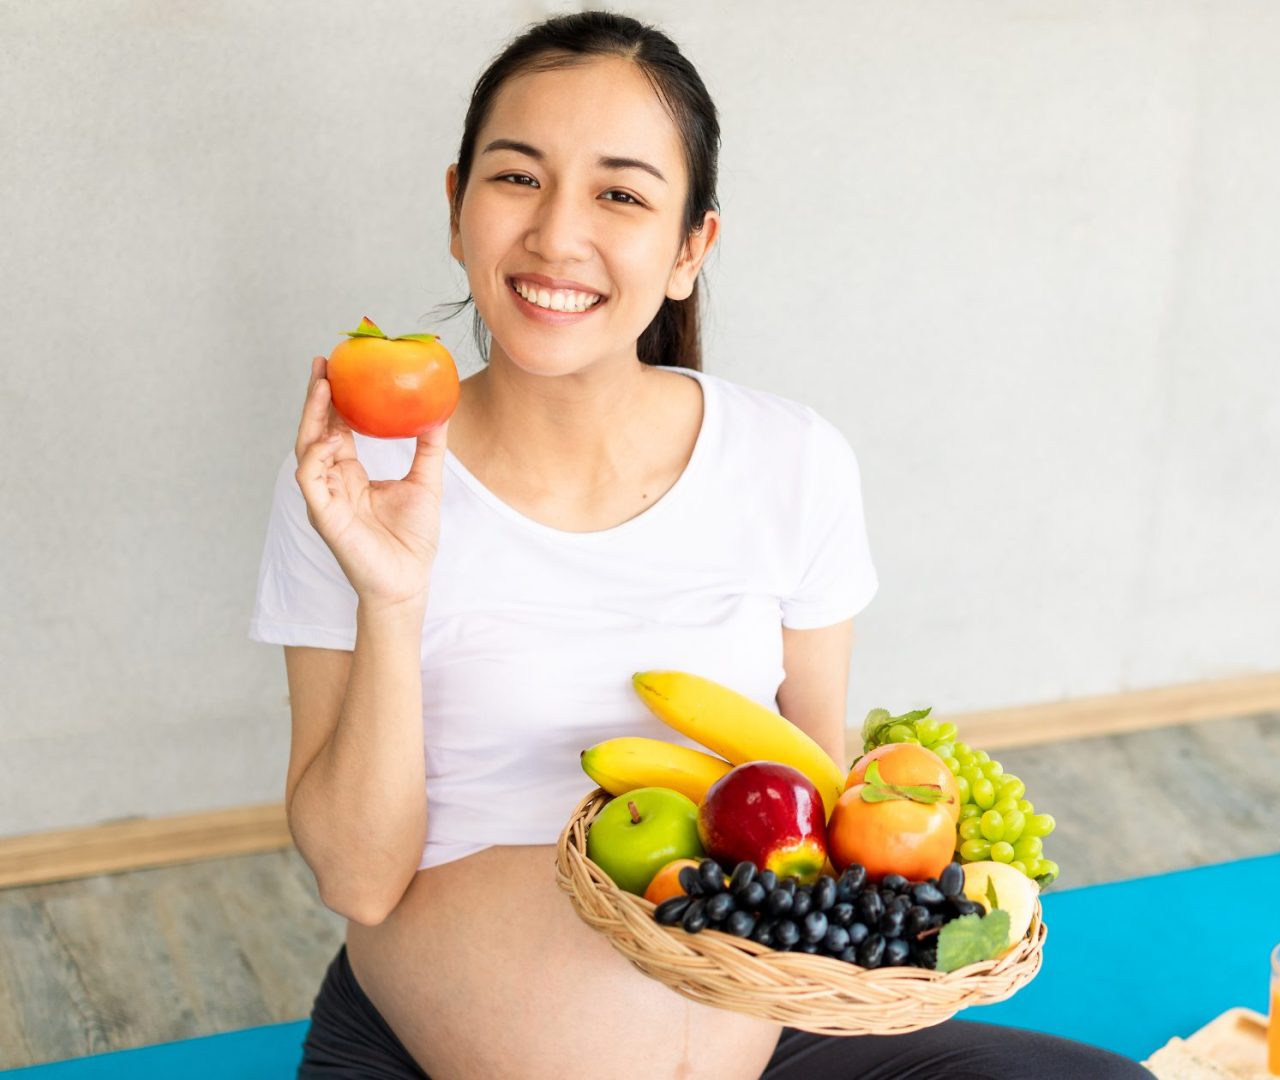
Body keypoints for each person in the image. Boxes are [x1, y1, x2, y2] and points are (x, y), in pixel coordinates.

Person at [249, 12, 1150, 1078]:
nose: (556, 235)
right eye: (517, 178)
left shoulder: (792, 461)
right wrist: (392, 596)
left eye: (620, 194)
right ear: (457, 209)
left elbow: (823, 804)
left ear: (690, 250)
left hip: (775, 1038)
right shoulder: (363, 481)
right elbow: (357, 880)